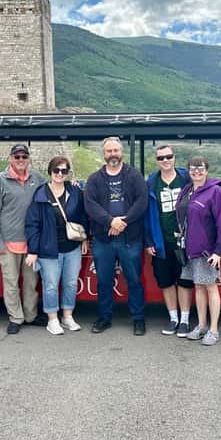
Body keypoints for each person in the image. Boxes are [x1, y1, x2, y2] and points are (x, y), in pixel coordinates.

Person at [84, 136, 149, 335]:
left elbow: (142, 201)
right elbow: (90, 205)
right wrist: (110, 221)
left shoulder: (134, 175)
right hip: (104, 239)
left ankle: (138, 319)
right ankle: (104, 318)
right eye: (109, 151)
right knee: (103, 281)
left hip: (130, 239)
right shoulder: (95, 179)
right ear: (104, 154)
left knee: (134, 280)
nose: (113, 154)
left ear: (121, 152)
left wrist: (123, 222)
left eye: (116, 150)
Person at [25, 156, 89, 335]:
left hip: (72, 247)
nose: (60, 174)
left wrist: (85, 238)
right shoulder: (40, 194)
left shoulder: (75, 191)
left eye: (64, 171)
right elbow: (32, 224)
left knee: (70, 283)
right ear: (50, 172)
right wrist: (33, 250)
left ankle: (67, 316)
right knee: (51, 285)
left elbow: (83, 217)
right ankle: (52, 319)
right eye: (56, 170)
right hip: (49, 249)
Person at [0, 144, 47, 334]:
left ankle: (30, 315)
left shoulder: (37, 178)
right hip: (8, 243)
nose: (21, 160)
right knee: (11, 282)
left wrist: (72, 185)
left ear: (28, 158)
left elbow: (53, 189)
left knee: (31, 282)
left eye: (24, 156)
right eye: (17, 157)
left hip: (31, 243)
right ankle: (16, 318)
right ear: (10, 158)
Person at [176, 156, 221, 346]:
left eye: (200, 169)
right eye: (192, 169)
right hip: (189, 249)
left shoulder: (215, 192)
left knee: (210, 287)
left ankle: (214, 330)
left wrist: (219, 251)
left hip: (207, 251)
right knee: (198, 286)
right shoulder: (187, 190)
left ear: (207, 171)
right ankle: (201, 325)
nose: (196, 172)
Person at [144, 144, 194, 337]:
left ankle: (184, 320)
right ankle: (173, 318)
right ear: (157, 161)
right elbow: (146, 215)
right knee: (165, 282)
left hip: (185, 241)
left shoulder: (186, 178)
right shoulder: (151, 182)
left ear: (174, 157)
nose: (165, 161)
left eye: (168, 157)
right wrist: (148, 241)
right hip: (160, 241)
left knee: (184, 282)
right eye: (161, 158)